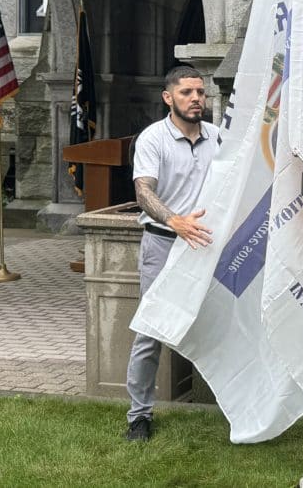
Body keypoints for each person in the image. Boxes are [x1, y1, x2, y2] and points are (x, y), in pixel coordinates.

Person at [125, 66, 220, 441]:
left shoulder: (218, 137)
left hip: (208, 246)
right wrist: (175, 220)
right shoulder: (153, 139)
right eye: (186, 92)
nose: (196, 98)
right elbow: (143, 192)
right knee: (151, 331)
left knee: (227, 322)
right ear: (168, 97)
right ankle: (139, 416)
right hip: (164, 244)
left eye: (200, 92)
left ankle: (238, 406)